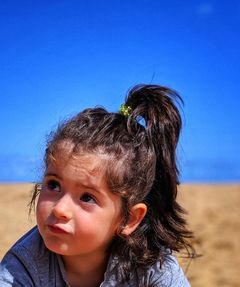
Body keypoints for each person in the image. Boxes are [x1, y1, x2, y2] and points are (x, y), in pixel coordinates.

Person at [0, 84, 195, 286]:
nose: (59, 209)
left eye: (87, 197)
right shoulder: (21, 269)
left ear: (129, 219)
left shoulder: (152, 268)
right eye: (54, 185)